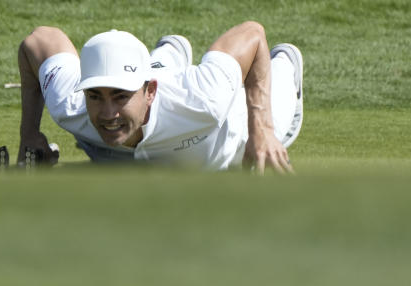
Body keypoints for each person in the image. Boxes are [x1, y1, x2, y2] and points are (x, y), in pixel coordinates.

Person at [16, 21, 303, 174]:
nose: (107, 113)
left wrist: (262, 128)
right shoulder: (69, 102)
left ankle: (286, 62)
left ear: (149, 92)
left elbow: (252, 33)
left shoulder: (204, 98)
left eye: (120, 96)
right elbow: (38, 39)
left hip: (233, 140)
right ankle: (170, 51)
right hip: (134, 145)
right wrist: (29, 134)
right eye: (96, 96)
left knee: (278, 91)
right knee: (156, 72)